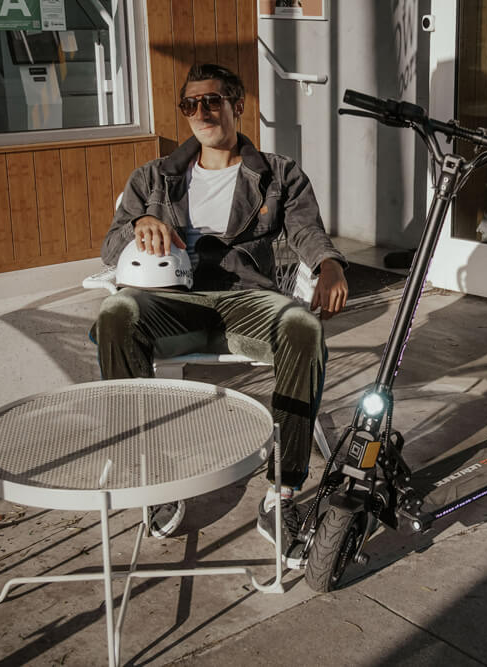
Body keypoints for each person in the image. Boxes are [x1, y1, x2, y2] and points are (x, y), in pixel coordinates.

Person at [94, 63, 348, 564]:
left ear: (238, 104)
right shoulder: (153, 177)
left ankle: (283, 492)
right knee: (116, 314)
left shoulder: (278, 172)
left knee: (301, 326)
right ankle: (154, 477)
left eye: (213, 101)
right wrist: (141, 220)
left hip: (245, 297)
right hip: (171, 299)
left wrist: (330, 263)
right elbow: (110, 246)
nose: (202, 112)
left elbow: (305, 230)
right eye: (190, 104)